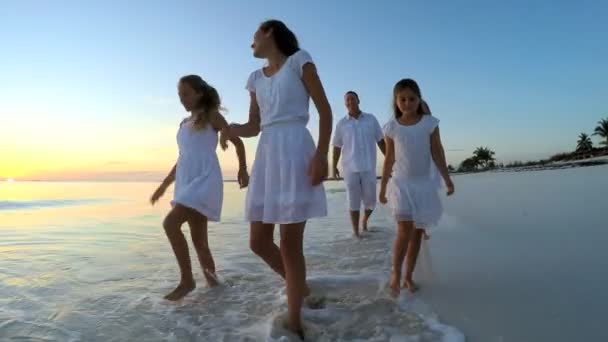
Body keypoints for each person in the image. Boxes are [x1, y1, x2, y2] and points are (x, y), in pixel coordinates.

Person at [229, 20, 332, 339]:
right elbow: (254, 126)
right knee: (258, 242)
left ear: (270, 32)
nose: (251, 43)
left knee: (290, 244)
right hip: (268, 154)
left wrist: (321, 155)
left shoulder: (300, 60)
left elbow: (326, 112)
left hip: (295, 151)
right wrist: (231, 128)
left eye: (254, 37)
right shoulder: (255, 78)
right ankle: (300, 289)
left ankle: (295, 322)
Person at [150, 75, 248, 301]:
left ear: (199, 93)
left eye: (185, 93)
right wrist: (164, 186)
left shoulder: (212, 116)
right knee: (199, 241)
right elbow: (182, 158)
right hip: (186, 182)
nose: (181, 99)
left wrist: (242, 170)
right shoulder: (183, 124)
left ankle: (187, 281)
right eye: (179, 95)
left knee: (170, 223)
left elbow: (238, 142)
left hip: (205, 180)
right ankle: (217, 290)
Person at [379, 79, 454, 296]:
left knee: (417, 233)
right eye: (402, 99)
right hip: (401, 185)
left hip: (423, 187)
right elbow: (389, 159)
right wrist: (383, 187)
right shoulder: (391, 127)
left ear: (419, 99)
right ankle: (395, 274)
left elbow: (437, 152)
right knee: (404, 231)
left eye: (412, 98)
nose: (407, 103)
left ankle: (408, 277)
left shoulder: (429, 123)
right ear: (396, 101)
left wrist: (447, 179)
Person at [332, 91, 385, 238]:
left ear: (358, 100)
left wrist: (390, 159)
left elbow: (381, 141)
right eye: (347, 100)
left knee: (371, 202)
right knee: (353, 202)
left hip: (368, 166)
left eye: (352, 99)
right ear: (345, 104)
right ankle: (356, 233)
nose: (350, 102)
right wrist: (333, 166)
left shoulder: (371, 119)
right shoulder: (342, 124)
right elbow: (336, 146)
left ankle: (364, 221)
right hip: (349, 168)